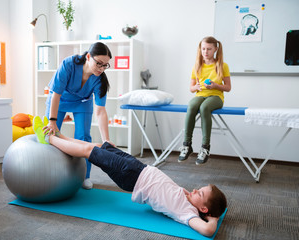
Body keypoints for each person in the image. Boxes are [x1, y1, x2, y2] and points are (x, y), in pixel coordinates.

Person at [33, 116, 227, 237]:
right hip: (138, 168)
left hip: (131, 176)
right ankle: (61, 136)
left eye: (199, 193)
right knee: (101, 146)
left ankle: (49, 139)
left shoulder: (189, 214)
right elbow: (172, 194)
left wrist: (213, 220)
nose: (195, 190)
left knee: (88, 150)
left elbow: (208, 230)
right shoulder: (189, 202)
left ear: (203, 209)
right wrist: (189, 195)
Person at [44, 42, 114, 189]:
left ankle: (84, 176)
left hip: (82, 102)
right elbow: (56, 94)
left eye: (105, 65)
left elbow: (100, 111)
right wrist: (52, 121)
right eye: (99, 64)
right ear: (88, 57)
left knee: (83, 137)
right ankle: (48, 172)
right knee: (50, 135)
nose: (102, 69)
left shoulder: (100, 80)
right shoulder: (69, 64)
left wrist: (106, 140)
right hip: (60, 99)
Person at [178, 36, 231, 165]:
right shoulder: (197, 66)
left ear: (215, 49)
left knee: (204, 108)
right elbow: (191, 88)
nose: (205, 52)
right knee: (191, 106)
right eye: (203, 49)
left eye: (209, 49)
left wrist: (215, 85)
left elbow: (228, 87)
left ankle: (205, 147)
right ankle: (187, 145)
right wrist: (196, 87)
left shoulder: (222, 65)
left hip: (216, 97)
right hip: (200, 95)